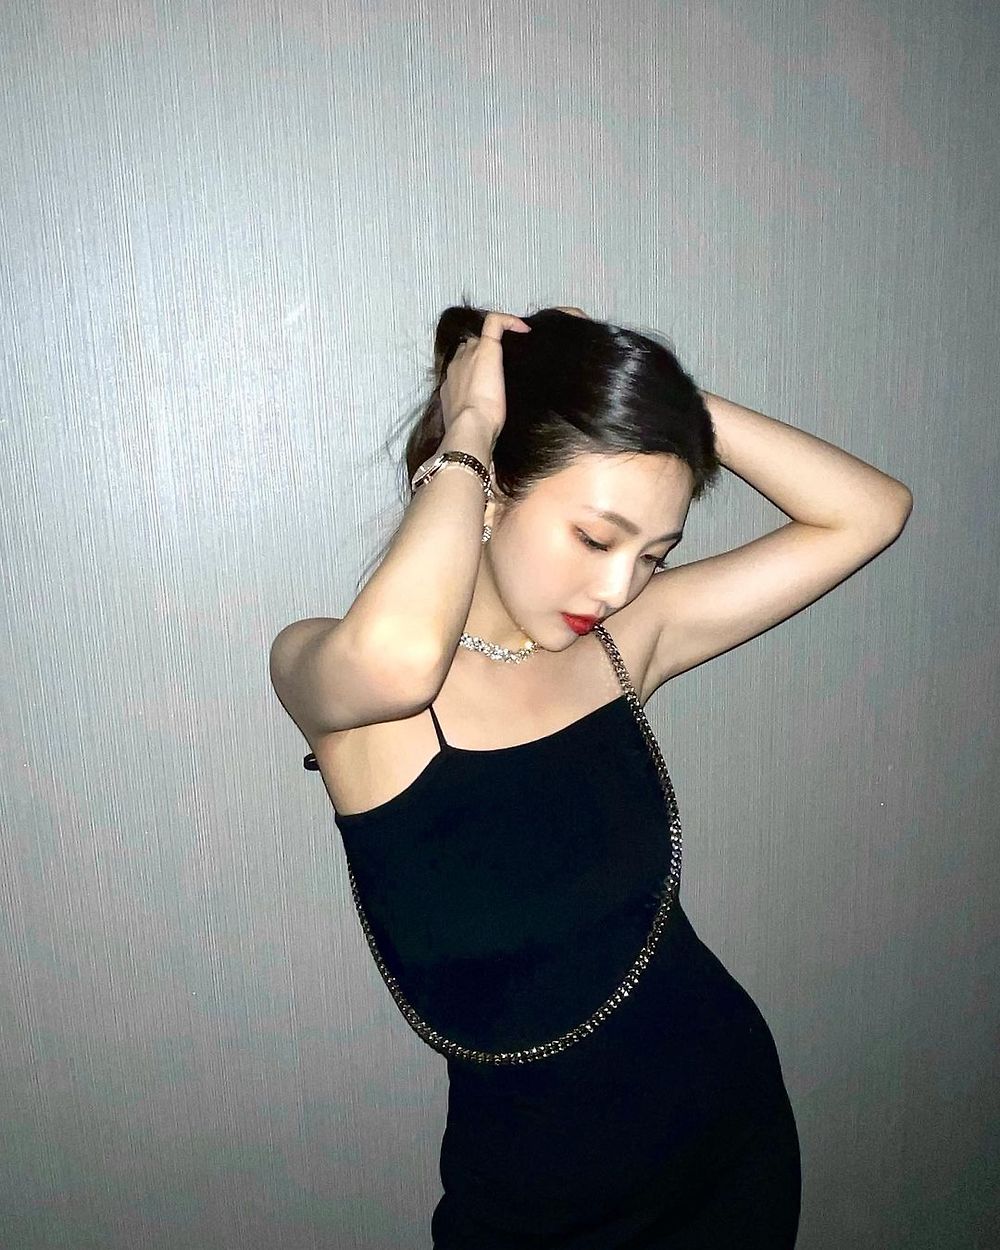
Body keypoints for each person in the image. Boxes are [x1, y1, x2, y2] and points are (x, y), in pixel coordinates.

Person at [269, 305, 912, 1248]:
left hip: (729, 1141)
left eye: (654, 555)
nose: (619, 589)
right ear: (492, 490)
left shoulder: (621, 648)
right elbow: (404, 661)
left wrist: (641, 392)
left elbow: (869, 512)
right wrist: (472, 424)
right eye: (596, 537)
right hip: (537, 1201)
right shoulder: (337, 676)